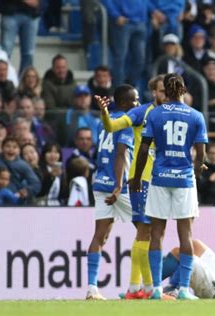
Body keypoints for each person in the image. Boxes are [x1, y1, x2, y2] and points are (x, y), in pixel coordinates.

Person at [130, 73, 208, 300]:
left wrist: (136, 177)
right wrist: (197, 169)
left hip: (159, 178)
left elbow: (144, 148)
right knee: (186, 234)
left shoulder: (155, 114)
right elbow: (200, 152)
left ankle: (155, 289)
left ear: (166, 89)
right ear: (183, 89)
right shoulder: (195, 116)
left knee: (157, 233)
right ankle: (183, 289)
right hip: (184, 179)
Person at [95, 75, 165, 299]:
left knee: (151, 234)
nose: (166, 94)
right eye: (162, 90)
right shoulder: (140, 112)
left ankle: (135, 289)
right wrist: (105, 112)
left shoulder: (176, 113)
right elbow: (113, 126)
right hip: (141, 179)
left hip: (162, 179)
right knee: (147, 232)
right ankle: (150, 289)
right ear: (154, 91)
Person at [85, 84, 136, 300]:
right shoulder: (125, 123)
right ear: (124, 103)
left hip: (100, 182)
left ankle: (92, 288)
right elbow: (121, 154)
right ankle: (145, 287)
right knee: (150, 230)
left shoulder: (101, 122)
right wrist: (119, 184)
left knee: (101, 235)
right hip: (119, 185)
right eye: (135, 100)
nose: (138, 103)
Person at [102, 0, 148, 88]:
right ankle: (117, 88)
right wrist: (116, 15)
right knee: (120, 58)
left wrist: (149, 13)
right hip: (123, 22)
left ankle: (129, 86)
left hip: (140, 22)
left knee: (140, 60)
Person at [0, 137, 41, 201]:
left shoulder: (23, 165)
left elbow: (36, 184)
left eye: (14, 147)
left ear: (19, 150)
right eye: (8, 146)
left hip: (16, 201)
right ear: (2, 148)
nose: (11, 149)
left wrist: (25, 191)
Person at [0, 0, 40, 73]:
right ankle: (2, 81)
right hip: (10, 11)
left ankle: (24, 82)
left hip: (32, 14)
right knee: (5, 52)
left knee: (29, 54)